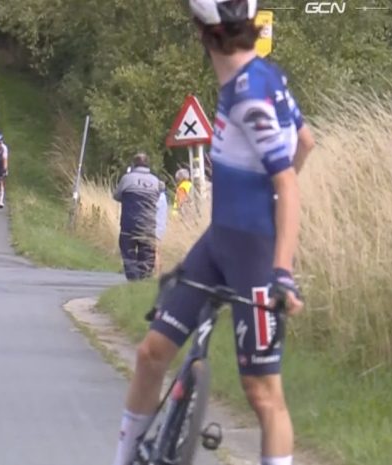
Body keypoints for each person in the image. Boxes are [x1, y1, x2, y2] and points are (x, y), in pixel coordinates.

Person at [109, 2, 313, 465]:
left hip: (255, 256)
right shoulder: (261, 75)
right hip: (218, 243)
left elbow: (287, 183)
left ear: (201, 31)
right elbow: (306, 141)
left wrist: (282, 270)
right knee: (151, 352)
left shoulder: (248, 96)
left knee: (263, 394)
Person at [113, 153, 161, 281]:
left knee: (128, 250)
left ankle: (133, 279)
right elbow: (157, 198)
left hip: (129, 222)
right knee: (146, 252)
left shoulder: (127, 178)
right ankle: (144, 280)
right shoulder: (155, 181)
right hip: (148, 224)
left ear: (134, 164)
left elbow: (116, 196)